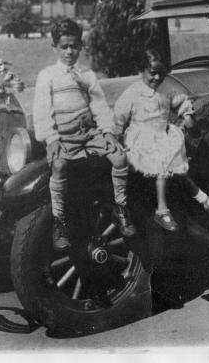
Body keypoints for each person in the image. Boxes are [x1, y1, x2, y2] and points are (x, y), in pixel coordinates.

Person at [33, 18, 135, 251]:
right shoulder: (48, 75)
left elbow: (99, 106)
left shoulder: (87, 75)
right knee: (59, 166)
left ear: (81, 46)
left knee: (120, 158)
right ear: (55, 48)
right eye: (64, 47)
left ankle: (121, 209)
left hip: (89, 134)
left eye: (74, 46)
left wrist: (108, 132)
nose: (70, 51)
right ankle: (60, 221)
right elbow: (42, 112)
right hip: (64, 136)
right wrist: (51, 139)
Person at [112, 49, 209, 231]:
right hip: (140, 139)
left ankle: (201, 198)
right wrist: (115, 139)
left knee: (177, 169)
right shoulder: (134, 92)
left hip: (162, 135)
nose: (157, 78)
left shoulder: (166, 90)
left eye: (162, 73)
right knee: (164, 164)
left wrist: (187, 114)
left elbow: (181, 101)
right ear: (142, 70)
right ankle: (162, 211)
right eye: (152, 73)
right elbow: (119, 117)